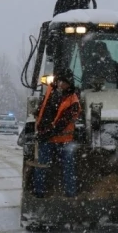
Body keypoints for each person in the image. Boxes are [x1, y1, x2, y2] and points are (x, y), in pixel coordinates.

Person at [33, 68, 81, 198]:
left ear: (69, 83)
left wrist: (46, 134)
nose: (61, 84)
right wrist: (38, 115)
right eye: (60, 81)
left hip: (64, 141)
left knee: (68, 167)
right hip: (47, 137)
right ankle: (38, 194)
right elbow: (44, 107)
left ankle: (70, 194)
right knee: (41, 165)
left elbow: (62, 123)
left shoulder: (73, 102)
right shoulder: (50, 90)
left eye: (64, 82)